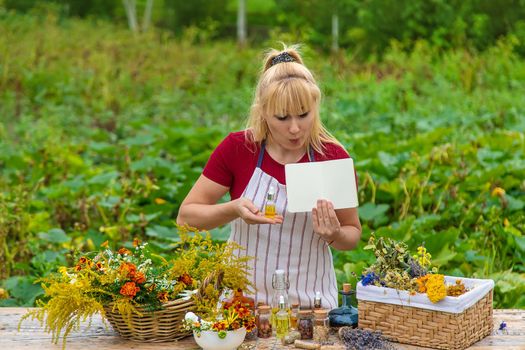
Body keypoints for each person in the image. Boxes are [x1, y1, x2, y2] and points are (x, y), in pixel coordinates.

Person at [176, 45, 361, 309]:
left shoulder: (332, 158)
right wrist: (234, 209)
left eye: (303, 115)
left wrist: (333, 235)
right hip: (240, 307)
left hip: (312, 307)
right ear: (263, 111)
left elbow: (352, 234)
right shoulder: (239, 149)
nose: (295, 128)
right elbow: (186, 217)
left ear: (315, 105)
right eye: (282, 118)